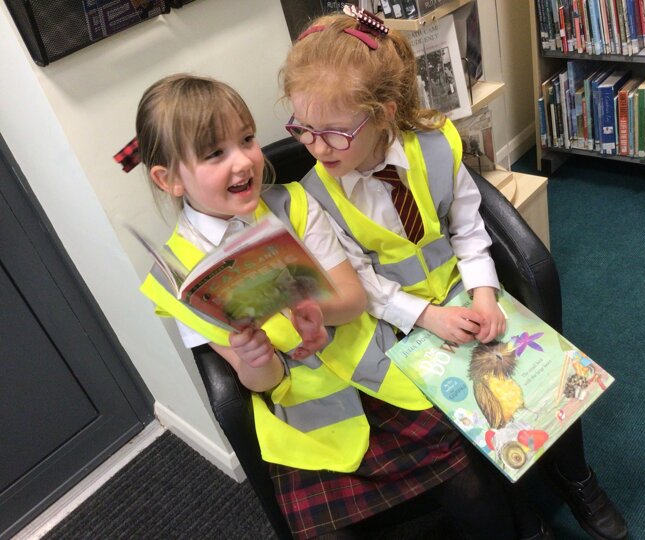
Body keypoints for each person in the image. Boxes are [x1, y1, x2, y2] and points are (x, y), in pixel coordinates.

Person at [131, 73, 536, 540]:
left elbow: (352, 298)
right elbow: (261, 381)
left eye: (246, 139)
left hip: (377, 371)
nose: (243, 161)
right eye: (214, 154)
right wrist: (254, 357)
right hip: (310, 419)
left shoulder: (295, 203)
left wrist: (314, 309)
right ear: (168, 179)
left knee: (470, 485)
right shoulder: (178, 279)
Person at [279, 8, 628, 540]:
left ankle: (573, 475)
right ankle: (519, 509)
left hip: (464, 289)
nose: (316, 146)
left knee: (549, 379)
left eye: (334, 133)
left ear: (384, 114)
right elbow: (361, 282)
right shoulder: (315, 196)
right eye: (302, 128)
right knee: (472, 410)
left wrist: (484, 292)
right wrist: (426, 316)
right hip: (398, 321)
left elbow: (467, 227)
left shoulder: (436, 144)